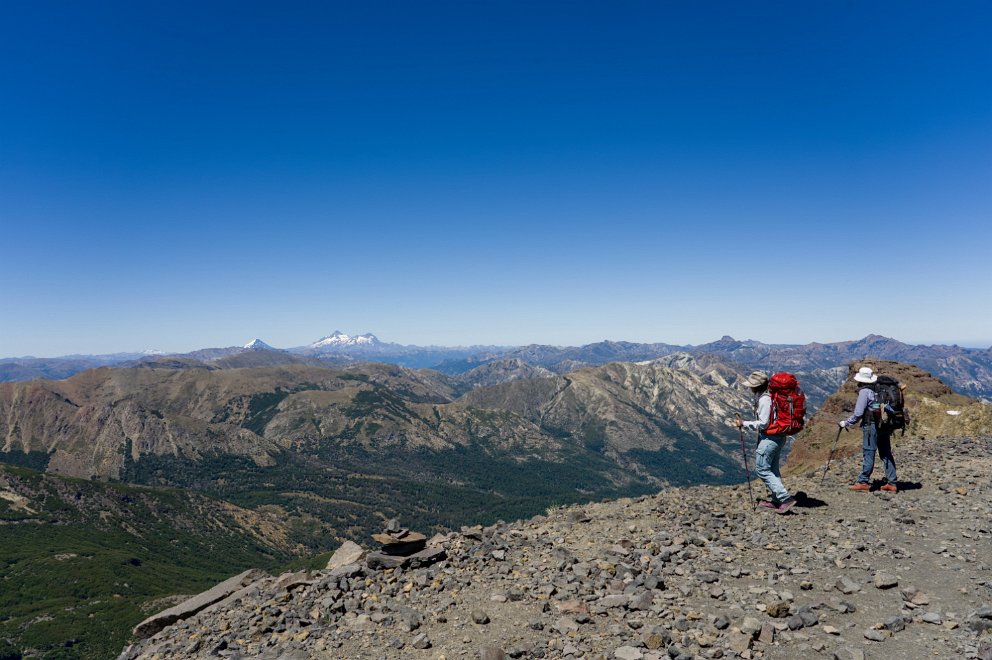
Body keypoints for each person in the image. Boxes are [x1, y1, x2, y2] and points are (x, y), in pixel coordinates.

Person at [735, 370, 797, 513]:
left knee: (762, 469)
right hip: (779, 437)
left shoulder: (765, 399)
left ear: (757, 386)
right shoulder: (773, 396)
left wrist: (744, 423)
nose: (750, 388)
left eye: (751, 386)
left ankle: (785, 498)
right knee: (773, 470)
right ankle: (777, 501)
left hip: (769, 439)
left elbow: (763, 423)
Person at [839, 366, 898, 492]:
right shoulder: (879, 388)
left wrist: (846, 423)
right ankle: (892, 483)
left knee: (869, 452)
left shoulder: (864, 391)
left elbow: (858, 413)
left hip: (871, 425)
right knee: (886, 452)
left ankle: (863, 482)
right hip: (884, 423)